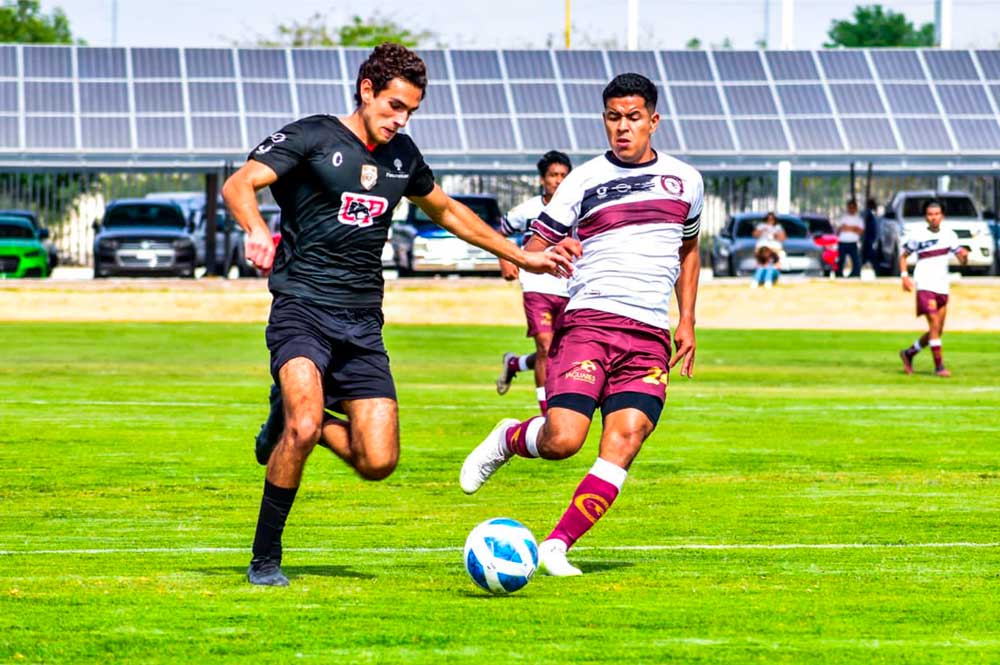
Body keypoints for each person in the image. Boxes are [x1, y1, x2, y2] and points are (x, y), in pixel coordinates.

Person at [223, 43, 572, 587]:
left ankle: (291, 422)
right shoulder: (313, 135)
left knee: (378, 461)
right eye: (392, 106)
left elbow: (450, 211)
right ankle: (265, 559)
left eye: (409, 110)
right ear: (366, 90)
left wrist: (523, 255)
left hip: (363, 323)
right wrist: (254, 229)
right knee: (306, 421)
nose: (400, 119)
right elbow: (239, 183)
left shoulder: (403, 156)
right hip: (302, 309)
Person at [459, 73, 703, 576]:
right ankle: (510, 437)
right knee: (564, 440)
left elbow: (689, 249)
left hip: (650, 334)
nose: (623, 127)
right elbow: (528, 250)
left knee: (627, 436)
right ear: (604, 120)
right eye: (614, 117)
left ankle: (556, 545)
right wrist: (549, 250)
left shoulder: (687, 181)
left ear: (653, 121)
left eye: (634, 117)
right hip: (591, 323)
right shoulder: (582, 180)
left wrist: (689, 321)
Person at [495, 150, 573, 413]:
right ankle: (546, 411)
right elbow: (499, 233)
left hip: (570, 287)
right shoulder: (528, 210)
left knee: (558, 353)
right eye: (553, 175)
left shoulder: (579, 210)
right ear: (543, 179)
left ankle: (515, 364)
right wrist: (505, 259)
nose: (559, 181)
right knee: (546, 346)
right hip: (537, 286)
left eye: (564, 175)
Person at [898, 200, 968, 378]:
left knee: (937, 330)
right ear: (926, 217)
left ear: (942, 216)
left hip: (942, 285)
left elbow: (961, 258)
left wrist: (964, 257)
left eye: (936, 214)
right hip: (925, 284)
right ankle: (939, 367)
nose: (933, 218)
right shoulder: (918, 235)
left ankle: (909, 353)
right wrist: (904, 276)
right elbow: (903, 257)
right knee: (934, 324)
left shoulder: (950, 235)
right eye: (930, 214)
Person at [750, 212, 785, 288]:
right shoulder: (761, 226)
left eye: (772, 219)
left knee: (770, 268)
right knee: (761, 268)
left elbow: (783, 237)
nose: (770, 220)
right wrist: (762, 230)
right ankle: (756, 282)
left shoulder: (778, 227)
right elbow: (754, 234)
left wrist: (775, 234)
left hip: (775, 250)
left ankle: (768, 282)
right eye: (768, 219)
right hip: (762, 246)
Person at [835, 199, 864, 278]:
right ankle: (839, 275)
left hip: (853, 242)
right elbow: (840, 229)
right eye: (850, 207)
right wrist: (854, 228)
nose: (851, 209)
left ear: (855, 208)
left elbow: (860, 231)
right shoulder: (843, 217)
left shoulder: (859, 219)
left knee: (856, 261)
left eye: (853, 207)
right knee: (841, 260)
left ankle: (855, 274)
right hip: (843, 242)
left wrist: (848, 228)